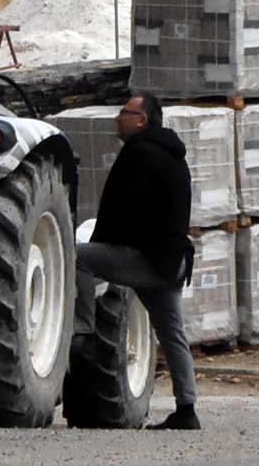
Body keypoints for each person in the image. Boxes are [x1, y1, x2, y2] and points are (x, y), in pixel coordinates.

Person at [82, 90, 198, 430]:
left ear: (141, 120)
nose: (117, 118)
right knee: (172, 333)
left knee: (75, 258)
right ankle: (187, 409)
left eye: (124, 112)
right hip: (171, 260)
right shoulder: (173, 155)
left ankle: (79, 330)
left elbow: (126, 211)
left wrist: (106, 244)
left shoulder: (140, 153)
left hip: (145, 258)